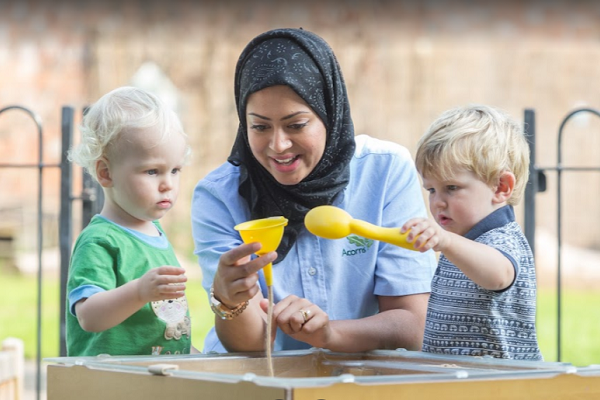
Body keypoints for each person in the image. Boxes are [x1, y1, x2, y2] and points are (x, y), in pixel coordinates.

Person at [191, 28, 437, 354]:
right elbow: (250, 347)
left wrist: (329, 335)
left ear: (328, 114)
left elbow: (412, 323)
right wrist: (228, 299)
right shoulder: (218, 196)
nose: (278, 145)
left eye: (296, 124)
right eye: (260, 126)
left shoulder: (384, 171)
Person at [401, 104, 543, 360]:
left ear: (501, 187)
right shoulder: (461, 240)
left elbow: (498, 274)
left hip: (500, 386)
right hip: (459, 383)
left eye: (452, 187)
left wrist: (445, 241)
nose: (437, 202)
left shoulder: (503, 238)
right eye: (431, 190)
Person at [65, 86, 194, 356]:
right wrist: (139, 291)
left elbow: (162, 326)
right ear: (105, 172)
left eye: (175, 170)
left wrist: (192, 355)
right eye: (152, 171)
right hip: (111, 384)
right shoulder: (99, 240)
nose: (167, 184)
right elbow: (89, 316)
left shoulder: (155, 233)